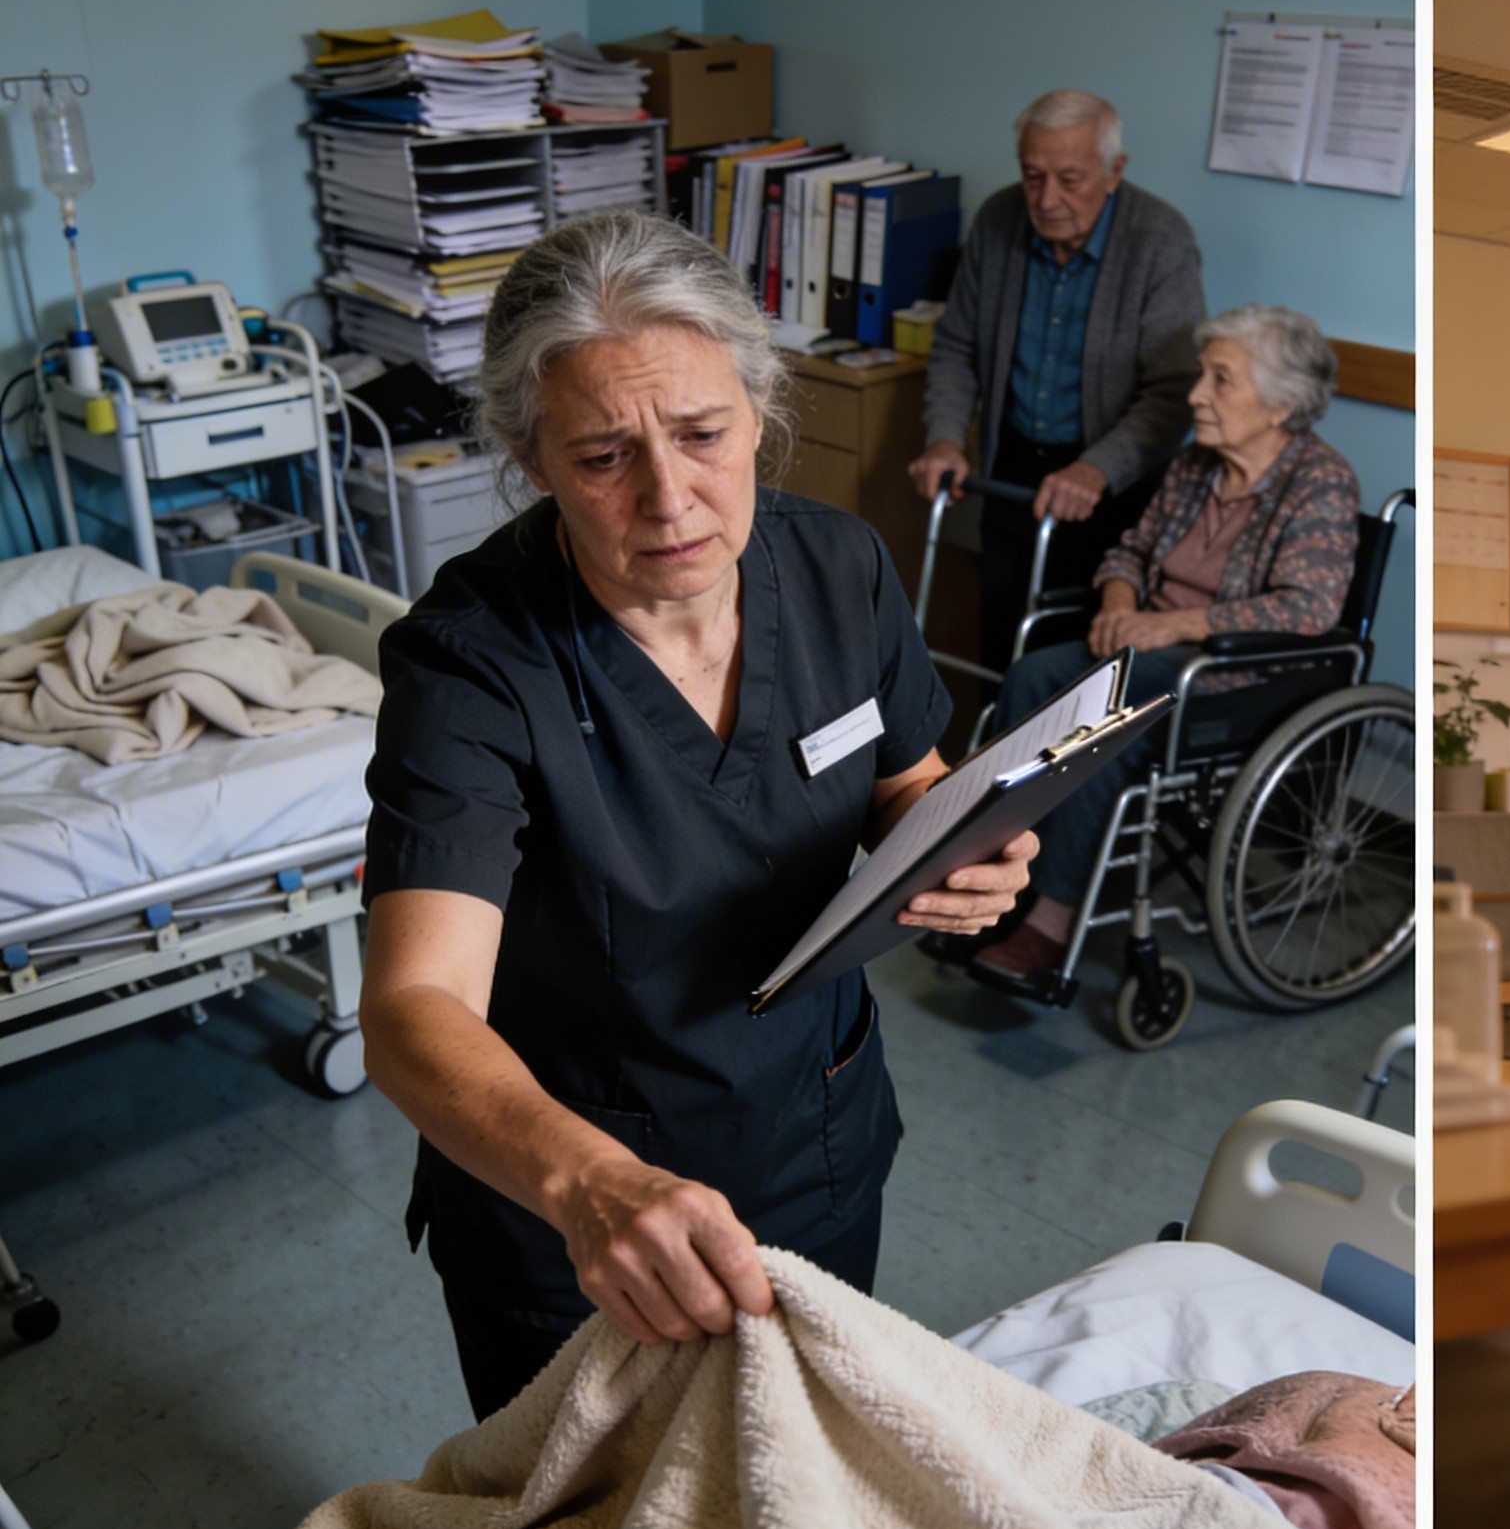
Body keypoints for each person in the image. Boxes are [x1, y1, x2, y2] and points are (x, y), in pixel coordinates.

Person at [359, 213, 1036, 1422]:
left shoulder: (839, 571)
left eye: (703, 434)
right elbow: (415, 1009)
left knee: (800, 1475)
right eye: (604, 457)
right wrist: (590, 1186)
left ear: (761, 406)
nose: (670, 498)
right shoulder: (472, 666)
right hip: (577, 1217)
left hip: (813, 1139)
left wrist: (961, 845)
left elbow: (907, 781)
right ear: (529, 458)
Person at [968, 304, 1361, 996]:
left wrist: (1174, 627)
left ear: (1279, 404)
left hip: (1235, 674)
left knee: (1100, 721)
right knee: (1033, 675)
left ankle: (1051, 920)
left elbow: (1309, 609)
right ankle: (988, 875)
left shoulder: (1320, 483)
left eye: (1220, 380)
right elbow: (1130, 550)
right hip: (1143, 647)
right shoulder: (1194, 467)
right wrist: (1120, 601)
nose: (1195, 395)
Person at [908, 88, 1206, 674]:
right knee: (1002, 636)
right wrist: (945, 436)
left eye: (1069, 179)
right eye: (1032, 175)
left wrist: (1096, 469)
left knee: (1076, 655)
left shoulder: (1160, 242)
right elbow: (956, 346)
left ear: (1114, 170)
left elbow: (1175, 393)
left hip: (1113, 485)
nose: (1046, 199)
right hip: (1012, 470)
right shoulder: (999, 221)